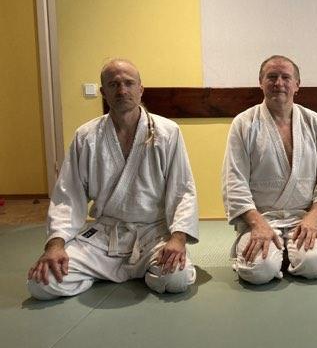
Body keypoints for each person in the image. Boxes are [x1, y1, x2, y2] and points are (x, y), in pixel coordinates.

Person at [27, 59, 199, 300]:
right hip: (105, 236)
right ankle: (117, 270)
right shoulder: (86, 136)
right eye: (113, 84)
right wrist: (55, 245)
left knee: (177, 279)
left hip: (154, 234)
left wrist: (178, 239)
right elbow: (68, 197)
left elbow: (183, 191)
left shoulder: (168, 132)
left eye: (129, 83)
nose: (122, 90)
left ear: (141, 89)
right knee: (42, 283)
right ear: (103, 92)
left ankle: (129, 269)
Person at [222, 55, 317, 284]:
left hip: (301, 219)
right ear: (261, 82)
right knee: (259, 272)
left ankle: (288, 252)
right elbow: (234, 181)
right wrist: (256, 223)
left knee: (316, 265)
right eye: (271, 77)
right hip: (260, 218)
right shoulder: (244, 123)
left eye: (286, 77)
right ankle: (273, 254)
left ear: (297, 84)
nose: (279, 83)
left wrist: (314, 217)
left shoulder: (314, 122)